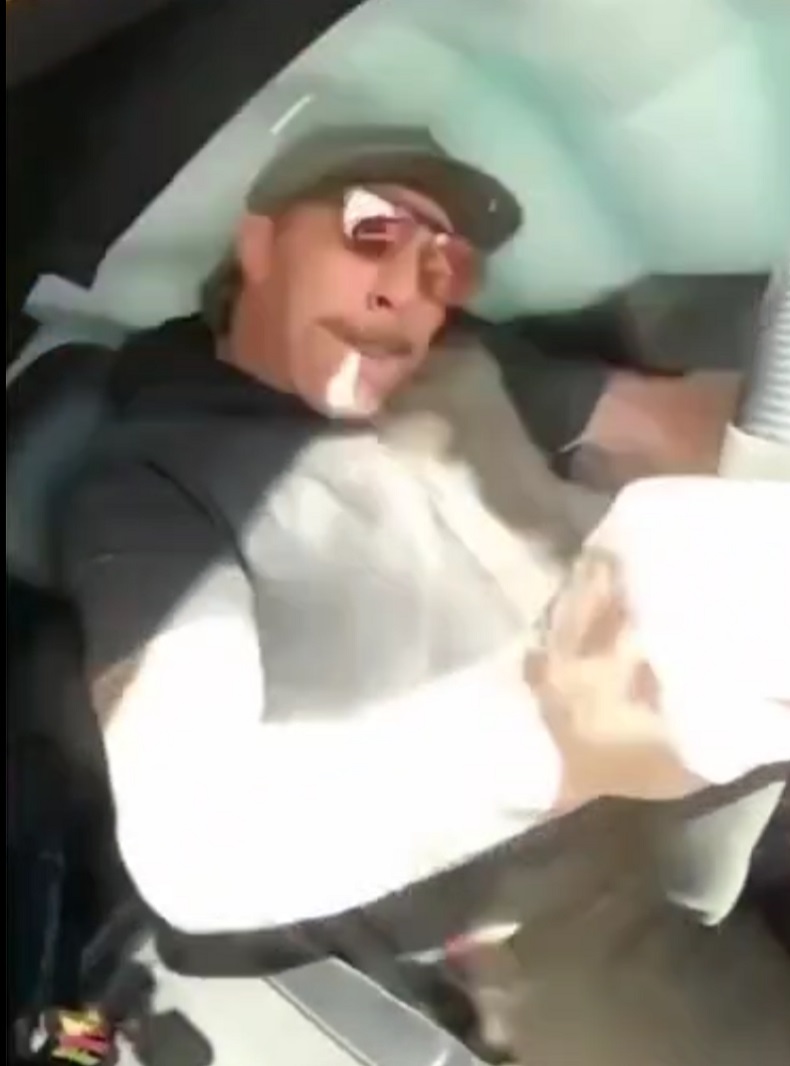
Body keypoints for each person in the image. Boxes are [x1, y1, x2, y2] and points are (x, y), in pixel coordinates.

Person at [57, 125, 785, 943]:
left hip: (736, 717)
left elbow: (668, 422)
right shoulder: (148, 489)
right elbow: (193, 850)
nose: (407, 290)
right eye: (370, 230)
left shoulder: (458, 361)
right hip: (553, 923)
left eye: (446, 266)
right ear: (259, 244)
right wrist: (561, 744)